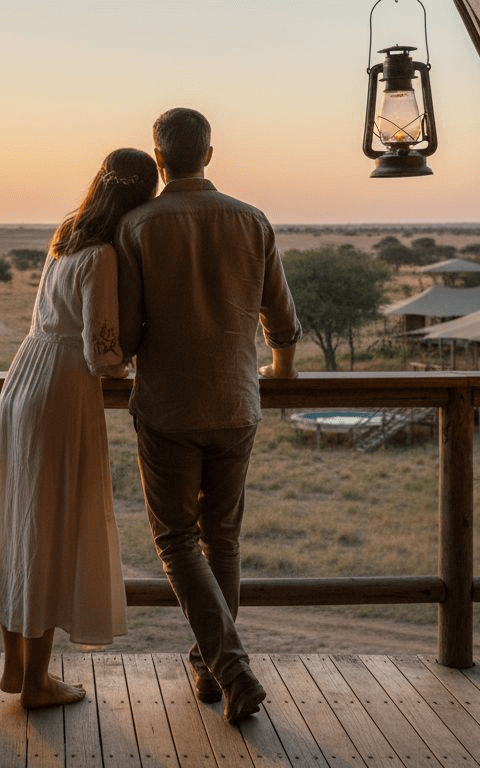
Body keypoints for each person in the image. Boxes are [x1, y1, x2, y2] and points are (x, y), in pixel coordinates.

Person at [116, 107, 302, 725]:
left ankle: (229, 667)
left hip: (168, 405)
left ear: (160, 157)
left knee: (175, 538)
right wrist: (282, 367)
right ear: (211, 154)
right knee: (222, 536)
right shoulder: (253, 220)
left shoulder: (139, 227)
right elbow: (280, 313)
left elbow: (131, 332)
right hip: (235, 401)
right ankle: (212, 663)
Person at [0, 147, 159, 709]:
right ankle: (36, 683)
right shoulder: (102, 256)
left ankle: (15, 668)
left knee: (17, 522)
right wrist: (137, 350)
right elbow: (101, 352)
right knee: (50, 530)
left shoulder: (65, 235)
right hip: (62, 389)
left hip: (23, 377)